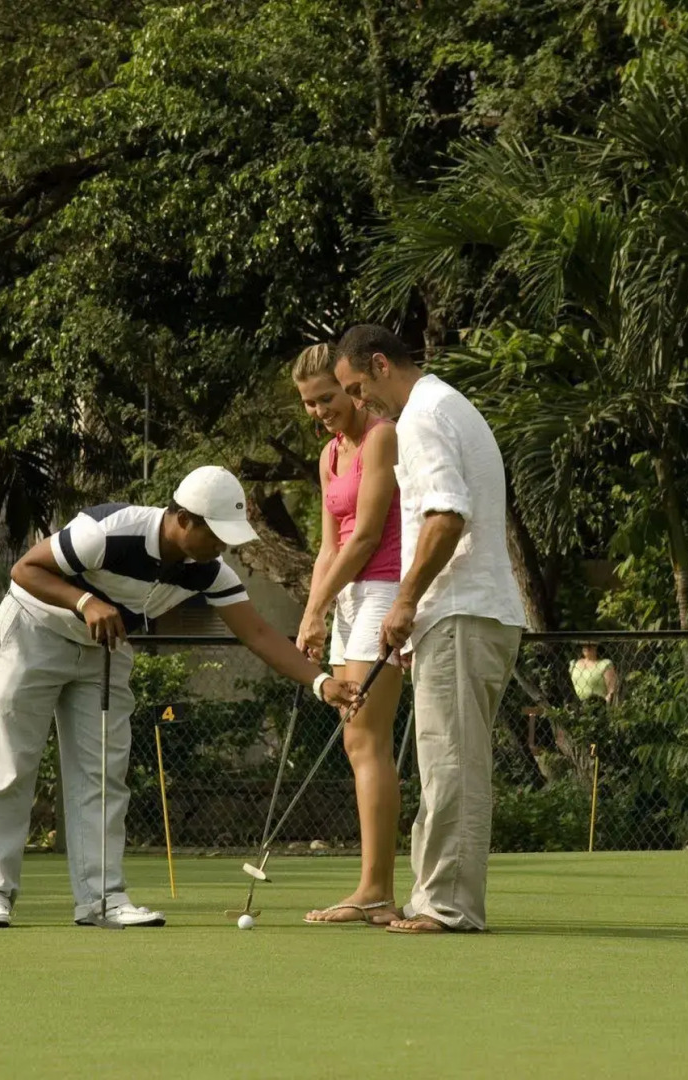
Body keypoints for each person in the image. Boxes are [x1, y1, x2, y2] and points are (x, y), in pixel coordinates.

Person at [0, 466, 360, 929]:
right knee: (10, 764)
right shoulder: (107, 533)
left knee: (104, 774)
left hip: (103, 651)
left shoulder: (209, 572)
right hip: (34, 631)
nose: (224, 546)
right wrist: (85, 602)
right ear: (184, 519)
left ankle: (102, 899)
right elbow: (25, 570)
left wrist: (320, 683)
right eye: (216, 534)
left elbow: (256, 633)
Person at [332, 324, 526, 934]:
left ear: (382, 364)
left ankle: (449, 906)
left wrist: (405, 602)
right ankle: (431, 896)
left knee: (451, 763)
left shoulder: (420, 417)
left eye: (357, 387)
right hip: (466, 612)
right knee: (443, 757)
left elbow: (445, 516)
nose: (358, 403)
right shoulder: (446, 405)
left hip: (462, 610)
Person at [290, 343, 407, 926]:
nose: (320, 411)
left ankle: (376, 891)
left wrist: (318, 609)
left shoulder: (382, 436)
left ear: (347, 385)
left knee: (367, 739)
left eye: (327, 398)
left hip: (383, 589)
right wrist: (313, 610)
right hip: (344, 600)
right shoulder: (329, 457)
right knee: (353, 740)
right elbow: (329, 546)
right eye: (310, 404)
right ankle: (372, 888)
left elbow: (364, 538)